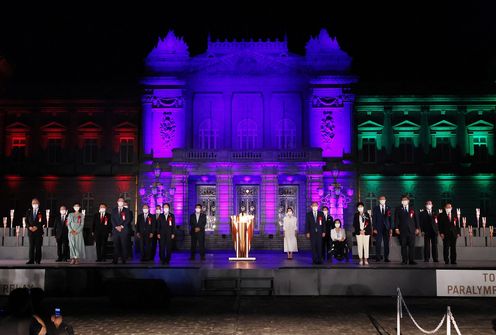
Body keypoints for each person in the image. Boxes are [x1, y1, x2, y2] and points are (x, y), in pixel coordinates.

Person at [394, 195, 420, 265]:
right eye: (403, 200)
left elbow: (416, 218)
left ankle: (411, 260)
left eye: (405, 200)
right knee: (403, 246)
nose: (404, 201)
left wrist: (417, 228)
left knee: (412, 246)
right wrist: (396, 228)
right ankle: (404, 260)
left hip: (412, 230)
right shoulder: (398, 208)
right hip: (402, 230)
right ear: (401, 201)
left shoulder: (413, 208)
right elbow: (396, 219)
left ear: (408, 201)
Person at [372, 195, 393, 262]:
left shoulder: (388, 208)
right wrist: (374, 228)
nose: (382, 200)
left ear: (385, 200)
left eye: (383, 199)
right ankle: (378, 257)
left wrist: (391, 228)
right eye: (381, 199)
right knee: (378, 243)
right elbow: (374, 219)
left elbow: (390, 219)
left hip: (386, 228)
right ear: (379, 200)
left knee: (386, 244)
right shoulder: (375, 208)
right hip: (378, 228)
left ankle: (386, 258)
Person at [111, 197, 131, 264]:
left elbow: (127, 219)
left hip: (124, 230)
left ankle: (124, 260)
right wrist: (116, 226)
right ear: (117, 202)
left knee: (124, 245)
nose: (120, 202)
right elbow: (112, 219)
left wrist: (121, 226)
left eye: (122, 201)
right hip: (115, 230)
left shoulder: (127, 210)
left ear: (123, 202)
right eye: (119, 201)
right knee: (116, 245)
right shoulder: (114, 210)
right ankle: (115, 260)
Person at [26, 198, 45, 264]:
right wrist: (29, 227)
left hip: (38, 232)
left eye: (36, 203)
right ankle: (31, 260)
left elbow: (43, 221)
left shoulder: (41, 211)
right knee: (31, 246)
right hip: (31, 232)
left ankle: (37, 260)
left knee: (38, 246)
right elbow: (26, 221)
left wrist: (36, 227)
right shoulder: (29, 211)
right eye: (33, 203)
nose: (34, 204)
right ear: (31, 204)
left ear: (38, 204)